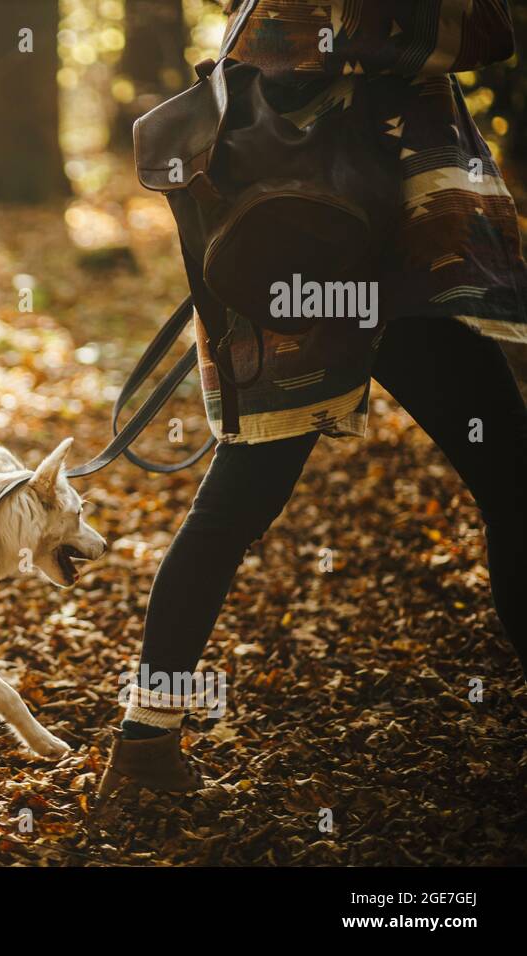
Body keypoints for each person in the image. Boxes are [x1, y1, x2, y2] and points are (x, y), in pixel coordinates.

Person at [97, 0, 527, 800]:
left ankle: (145, 748)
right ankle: (144, 750)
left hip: (305, 255)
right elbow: (483, 37)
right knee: (513, 482)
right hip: (375, 252)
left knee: (234, 509)